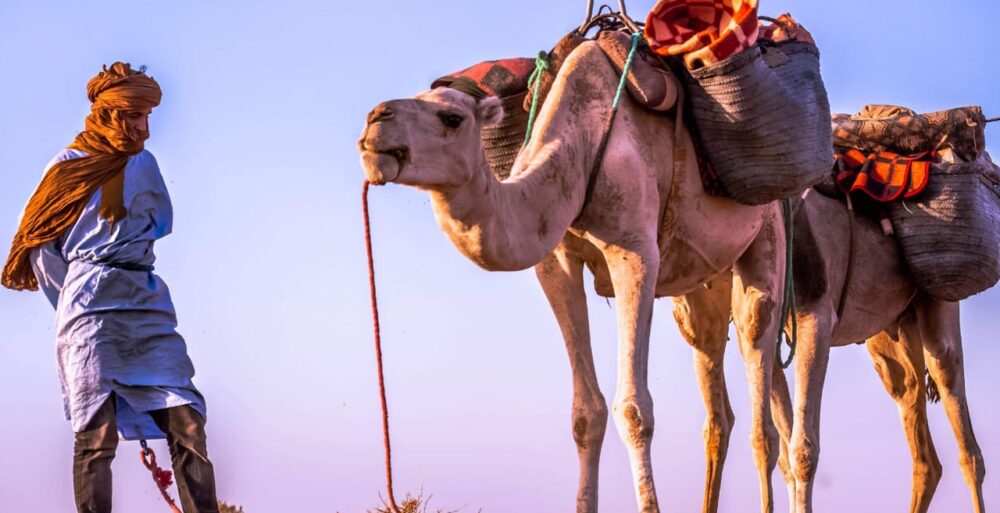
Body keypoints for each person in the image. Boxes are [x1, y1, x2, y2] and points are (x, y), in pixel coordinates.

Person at [2, 62, 219, 513]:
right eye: (133, 118)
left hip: (146, 301)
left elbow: (154, 228)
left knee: (187, 419)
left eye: (147, 117)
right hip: (88, 309)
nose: (144, 128)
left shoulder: (145, 162)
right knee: (96, 432)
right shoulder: (66, 168)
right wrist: (79, 299)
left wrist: (127, 278)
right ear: (108, 115)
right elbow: (42, 251)